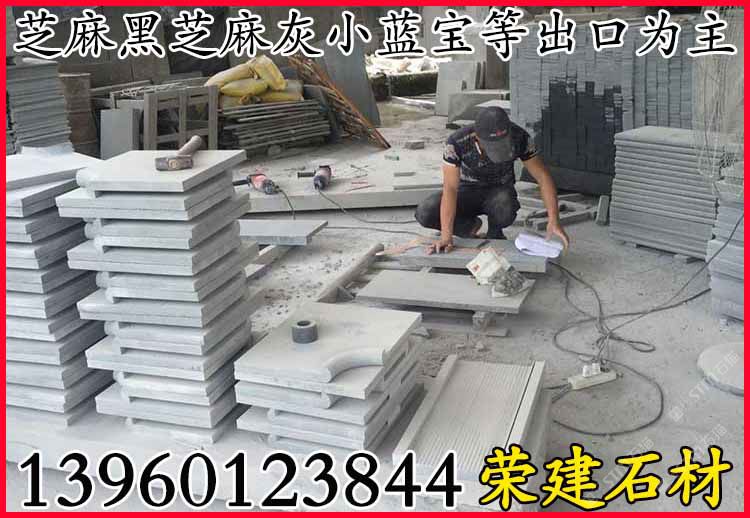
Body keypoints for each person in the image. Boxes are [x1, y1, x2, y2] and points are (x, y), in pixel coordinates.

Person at [414, 106, 570, 254]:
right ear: (477, 138)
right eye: (493, 147)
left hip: (499, 190)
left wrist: (554, 219)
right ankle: (469, 227)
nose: (498, 150)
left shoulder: (520, 137)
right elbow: (450, 188)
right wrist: (446, 236)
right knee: (425, 212)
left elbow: (542, 177)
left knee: (504, 204)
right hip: (467, 191)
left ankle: (495, 233)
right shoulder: (456, 142)